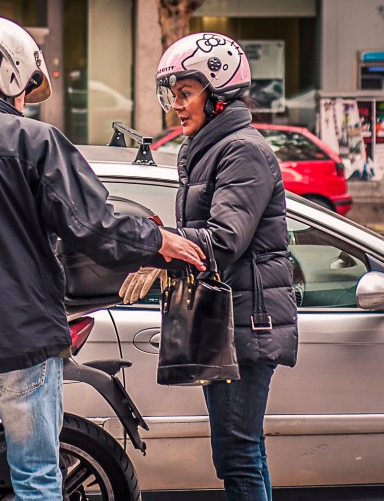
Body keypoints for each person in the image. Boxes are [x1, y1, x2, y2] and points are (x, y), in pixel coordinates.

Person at [0, 15, 205, 500]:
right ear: (6, 72)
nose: (25, 101)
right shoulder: (36, 143)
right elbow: (93, 226)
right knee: (36, 480)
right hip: (24, 341)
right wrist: (159, 243)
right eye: (26, 87)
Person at [122, 32, 298, 501]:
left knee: (237, 454)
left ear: (218, 93)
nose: (176, 105)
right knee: (242, 449)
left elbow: (224, 240)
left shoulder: (242, 150)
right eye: (172, 95)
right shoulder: (211, 148)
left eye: (185, 93)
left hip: (248, 324)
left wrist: (159, 249)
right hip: (229, 321)